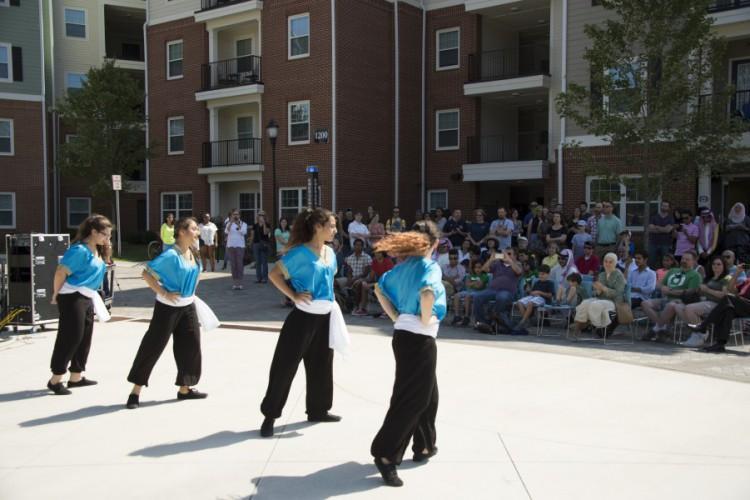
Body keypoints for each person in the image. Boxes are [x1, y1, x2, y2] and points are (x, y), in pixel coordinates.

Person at [260, 208, 349, 438]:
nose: (335, 230)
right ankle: (270, 415)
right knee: (285, 365)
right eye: (331, 225)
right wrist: (293, 295)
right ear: (318, 227)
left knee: (322, 364)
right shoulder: (299, 254)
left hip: (326, 315)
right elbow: (274, 275)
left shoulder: (329, 252)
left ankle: (318, 410)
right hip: (302, 317)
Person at [370, 220, 445, 487]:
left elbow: (379, 289)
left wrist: (396, 317)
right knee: (412, 398)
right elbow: (427, 293)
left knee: (428, 394)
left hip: (403, 334)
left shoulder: (400, 269)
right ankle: (386, 454)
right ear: (434, 244)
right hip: (419, 338)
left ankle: (424, 446)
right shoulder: (430, 266)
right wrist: (425, 319)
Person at [125, 217, 219, 409]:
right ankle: (135, 391)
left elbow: (196, 274)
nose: (197, 232)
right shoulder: (170, 255)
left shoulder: (193, 252)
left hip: (188, 306)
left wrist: (191, 294)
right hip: (167, 307)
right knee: (153, 345)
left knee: (191, 347)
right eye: (194, 229)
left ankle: (185, 388)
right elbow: (146, 273)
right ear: (182, 232)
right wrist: (163, 292)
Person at [47, 215, 112, 395]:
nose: (108, 239)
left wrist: (107, 249)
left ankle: (76, 376)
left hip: (87, 296)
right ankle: (55, 379)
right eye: (105, 235)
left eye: (109, 236)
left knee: (85, 336)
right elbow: (60, 272)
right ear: (93, 232)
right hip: (72, 296)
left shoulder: (96, 249)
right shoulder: (80, 250)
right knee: (71, 336)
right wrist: (55, 294)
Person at [687, 263, 750, 353]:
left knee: (727, 298)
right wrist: (737, 273)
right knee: (728, 310)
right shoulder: (747, 281)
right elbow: (731, 288)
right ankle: (720, 344)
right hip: (742, 307)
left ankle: (703, 325)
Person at [641, 250, 702, 340]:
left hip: (680, 301)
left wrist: (670, 291)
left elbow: (689, 292)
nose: (684, 261)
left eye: (687, 259)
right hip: (665, 298)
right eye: (683, 258)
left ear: (694, 261)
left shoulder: (695, 275)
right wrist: (662, 288)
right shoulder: (673, 270)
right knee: (645, 303)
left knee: (671, 305)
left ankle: (656, 328)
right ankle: (660, 326)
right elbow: (658, 284)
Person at [678, 256, 731, 347]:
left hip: (719, 305)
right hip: (705, 301)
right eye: (714, 264)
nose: (716, 266)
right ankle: (696, 332)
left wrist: (707, 290)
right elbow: (702, 292)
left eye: (719, 264)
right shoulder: (709, 277)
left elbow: (723, 295)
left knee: (689, 308)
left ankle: (702, 332)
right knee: (679, 307)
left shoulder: (727, 278)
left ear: (724, 266)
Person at [572, 253, 626, 336]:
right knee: (585, 303)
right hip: (600, 299)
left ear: (615, 263)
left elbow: (618, 293)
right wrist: (597, 291)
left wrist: (604, 288)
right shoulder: (601, 275)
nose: (607, 264)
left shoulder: (619, 276)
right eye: (605, 261)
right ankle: (578, 326)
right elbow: (594, 293)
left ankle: (594, 325)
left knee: (595, 305)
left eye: (610, 262)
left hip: (613, 301)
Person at [473, 248, 523, 334]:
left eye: (509, 254)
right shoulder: (497, 264)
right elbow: (484, 269)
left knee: (502, 297)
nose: (506, 255)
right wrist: (491, 259)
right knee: (477, 297)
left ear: (515, 256)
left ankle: (495, 319)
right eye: (505, 254)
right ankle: (482, 322)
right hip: (492, 290)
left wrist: (509, 260)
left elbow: (518, 271)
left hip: (507, 292)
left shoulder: (517, 264)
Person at [513, 264, 554, 334]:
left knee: (530, 303)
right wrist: (529, 291)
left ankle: (522, 322)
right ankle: (526, 320)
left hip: (543, 299)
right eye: (540, 274)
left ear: (548, 274)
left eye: (543, 274)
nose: (541, 276)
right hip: (534, 297)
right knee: (519, 302)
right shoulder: (537, 282)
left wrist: (540, 292)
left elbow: (550, 295)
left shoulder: (550, 283)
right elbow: (532, 292)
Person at [451, 260, 489, 327]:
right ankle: (457, 316)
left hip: (479, 292)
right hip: (469, 291)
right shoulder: (470, 275)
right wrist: (475, 282)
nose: (477, 269)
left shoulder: (485, 276)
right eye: (476, 267)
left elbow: (479, 286)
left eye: (479, 267)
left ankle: (466, 317)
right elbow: (467, 285)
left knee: (467, 296)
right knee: (456, 295)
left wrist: (472, 283)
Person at [341, 239, 373, 316]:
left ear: (362, 247)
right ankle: (342, 305)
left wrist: (354, 279)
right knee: (335, 282)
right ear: (353, 246)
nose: (358, 247)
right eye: (356, 245)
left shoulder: (367, 257)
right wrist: (349, 279)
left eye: (360, 245)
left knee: (359, 283)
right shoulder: (350, 258)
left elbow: (366, 273)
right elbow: (349, 271)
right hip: (351, 278)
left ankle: (358, 306)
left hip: (363, 278)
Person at [358, 251, 394, 316]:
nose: (377, 254)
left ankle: (387, 311)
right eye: (376, 253)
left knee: (383, 287)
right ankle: (363, 309)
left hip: (389, 283)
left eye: (379, 253)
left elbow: (388, 279)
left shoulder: (388, 262)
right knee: (364, 285)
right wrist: (363, 280)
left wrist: (372, 284)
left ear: (382, 254)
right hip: (379, 282)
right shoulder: (374, 262)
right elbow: (371, 277)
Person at [647, 201, 675, 269]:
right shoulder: (654, 217)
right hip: (653, 243)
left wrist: (656, 227)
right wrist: (664, 229)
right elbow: (650, 229)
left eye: (666, 206)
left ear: (668, 208)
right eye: (663, 205)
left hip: (665, 243)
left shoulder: (670, 218)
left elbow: (668, 230)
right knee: (651, 262)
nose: (664, 207)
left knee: (666, 262)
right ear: (661, 206)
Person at [225, 209, 248, 290]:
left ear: (239, 215)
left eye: (237, 214)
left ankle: (240, 283)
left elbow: (243, 232)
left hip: (240, 246)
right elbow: (227, 231)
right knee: (233, 265)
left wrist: (238, 225)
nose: (235, 216)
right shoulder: (229, 223)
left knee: (239, 264)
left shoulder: (243, 224)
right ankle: (235, 283)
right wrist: (231, 222)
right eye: (234, 214)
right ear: (232, 215)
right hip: (231, 246)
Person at [250, 214, 272, 284]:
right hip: (256, 244)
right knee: (258, 262)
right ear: (258, 217)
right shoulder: (255, 225)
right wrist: (251, 243)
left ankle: (265, 278)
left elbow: (265, 232)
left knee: (264, 262)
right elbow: (252, 235)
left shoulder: (267, 224)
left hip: (264, 244)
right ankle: (258, 278)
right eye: (260, 216)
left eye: (262, 216)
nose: (261, 217)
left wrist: (264, 223)